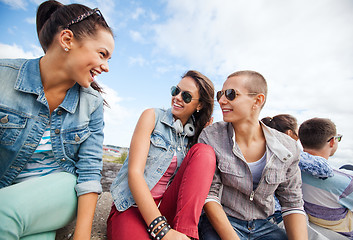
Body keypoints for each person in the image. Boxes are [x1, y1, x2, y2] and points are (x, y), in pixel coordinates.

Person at [0, 1, 114, 239]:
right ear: (67, 40)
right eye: (102, 54)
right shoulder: (3, 77)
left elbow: (90, 170)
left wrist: (81, 235)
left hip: (60, 190)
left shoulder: (91, 104)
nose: (105, 67)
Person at [198, 70, 308, 240]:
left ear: (257, 100)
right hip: (223, 222)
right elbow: (209, 195)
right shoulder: (211, 136)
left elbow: (292, 203)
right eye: (221, 94)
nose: (221, 100)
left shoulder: (288, 147)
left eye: (230, 94)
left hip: (265, 225)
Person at [107, 70, 216, 240]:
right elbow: (134, 174)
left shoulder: (194, 135)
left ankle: (186, 234)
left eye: (186, 96)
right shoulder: (152, 116)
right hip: (133, 206)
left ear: (199, 105)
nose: (177, 97)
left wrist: (206, 133)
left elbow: (197, 178)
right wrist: (161, 229)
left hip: (165, 208)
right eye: (175, 91)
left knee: (205, 152)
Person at [298, 118, 352, 239]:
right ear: (332, 142)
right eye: (338, 138)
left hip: (310, 227)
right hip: (340, 234)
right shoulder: (345, 182)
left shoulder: (293, 171)